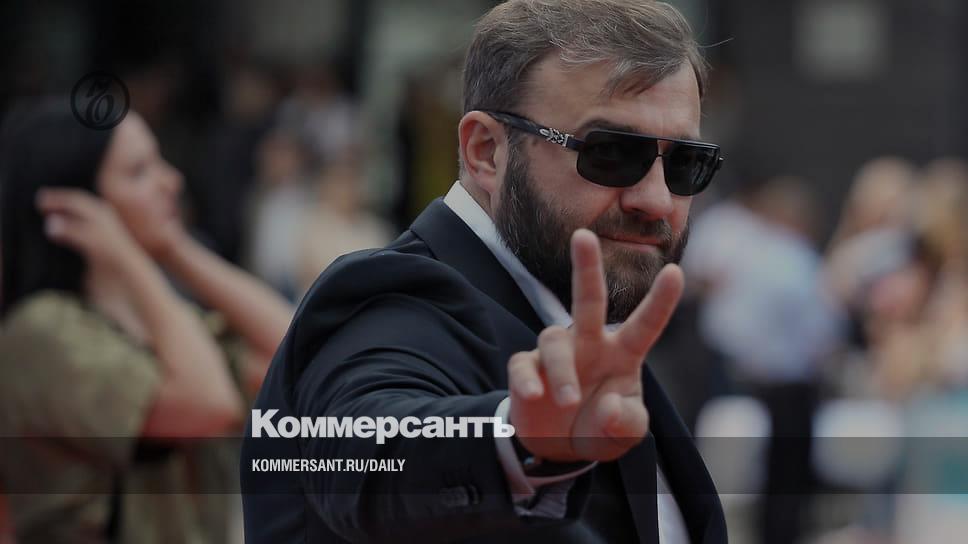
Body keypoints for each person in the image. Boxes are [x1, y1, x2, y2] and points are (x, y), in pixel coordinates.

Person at [241, 1, 727, 542]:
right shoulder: (389, 300)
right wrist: (518, 440)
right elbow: (360, 456)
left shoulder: (584, 326)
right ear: (486, 151)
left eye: (685, 163)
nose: (656, 200)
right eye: (610, 152)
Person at [0, 98, 293, 543]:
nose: (171, 181)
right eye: (139, 171)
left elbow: (295, 354)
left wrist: (174, 248)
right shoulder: (42, 331)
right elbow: (208, 403)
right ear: (79, 204)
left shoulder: (163, 324)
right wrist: (129, 258)